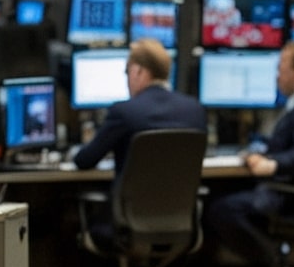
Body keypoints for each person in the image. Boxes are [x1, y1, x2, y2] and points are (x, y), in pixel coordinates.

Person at [203, 41, 294, 267]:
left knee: (220, 208)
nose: (276, 76)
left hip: (288, 196)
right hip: (285, 189)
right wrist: (258, 148)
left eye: (280, 69)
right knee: (218, 193)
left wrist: (270, 164)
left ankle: (271, 258)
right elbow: (285, 144)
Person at [72, 38, 206, 174]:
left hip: (132, 196)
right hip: (183, 195)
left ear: (138, 71)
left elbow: (84, 161)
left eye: (127, 71)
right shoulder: (194, 109)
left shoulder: (123, 112)